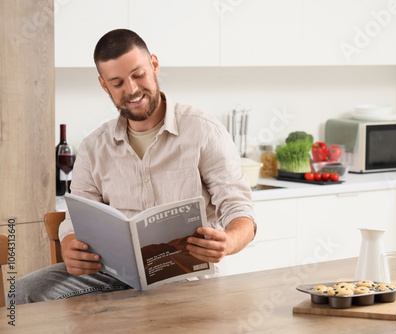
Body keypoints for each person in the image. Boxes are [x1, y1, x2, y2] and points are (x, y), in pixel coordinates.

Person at [16, 29, 256, 303]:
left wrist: (229, 242)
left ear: (154, 65)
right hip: (113, 276)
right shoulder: (94, 146)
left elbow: (240, 211)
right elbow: (75, 218)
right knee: (22, 293)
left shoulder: (203, 131)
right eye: (117, 83)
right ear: (104, 86)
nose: (131, 90)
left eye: (138, 75)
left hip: (188, 279)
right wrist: (71, 245)